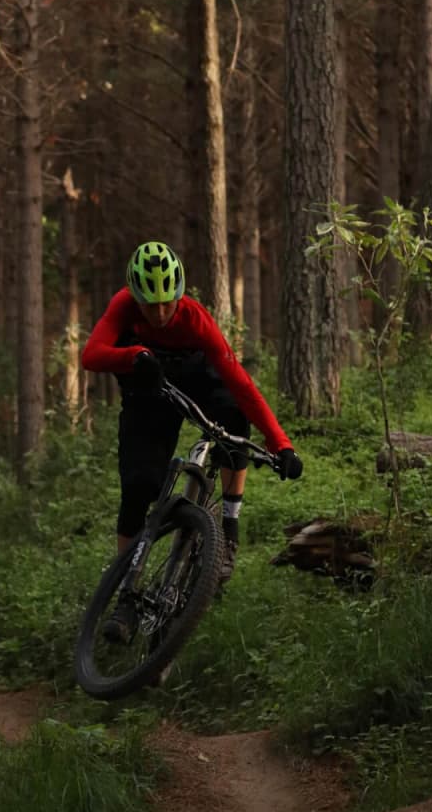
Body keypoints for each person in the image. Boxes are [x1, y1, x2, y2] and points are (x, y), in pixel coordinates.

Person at [81, 240, 302, 642]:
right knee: (139, 489)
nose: (161, 313)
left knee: (233, 421)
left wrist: (281, 444)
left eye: (168, 303)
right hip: (146, 393)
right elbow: (91, 354)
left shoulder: (195, 319)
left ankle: (228, 527)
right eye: (152, 305)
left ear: (179, 295)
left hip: (196, 378)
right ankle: (126, 596)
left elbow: (242, 384)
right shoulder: (123, 307)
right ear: (136, 296)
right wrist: (133, 356)